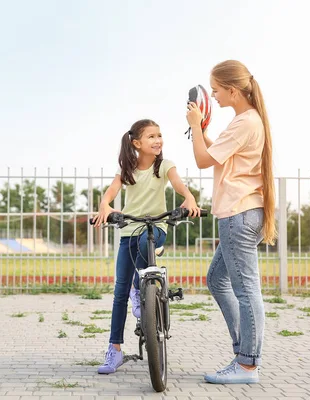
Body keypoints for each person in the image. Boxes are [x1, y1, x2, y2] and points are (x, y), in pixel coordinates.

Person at [186, 60, 276, 384]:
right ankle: (243, 353)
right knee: (216, 279)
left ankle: (247, 363)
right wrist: (204, 132)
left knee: (246, 289)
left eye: (216, 91)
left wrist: (195, 125)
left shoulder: (244, 122)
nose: (214, 97)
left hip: (237, 215)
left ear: (233, 90)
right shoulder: (247, 121)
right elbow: (217, 155)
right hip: (241, 213)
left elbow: (200, 161)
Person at [93, 118, 201, 374]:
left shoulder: (164, 166)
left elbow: (178, 184)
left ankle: (139, 288)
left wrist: (189, 198)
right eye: (151, 136)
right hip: (129, 231)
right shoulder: (127, 169)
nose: (158, 140)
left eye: (160, 135)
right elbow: (110, 193)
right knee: (119, 293)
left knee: (146, 244)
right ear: (136, 143)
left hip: (155, 229)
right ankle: (115, 350)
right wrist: (105, 206)